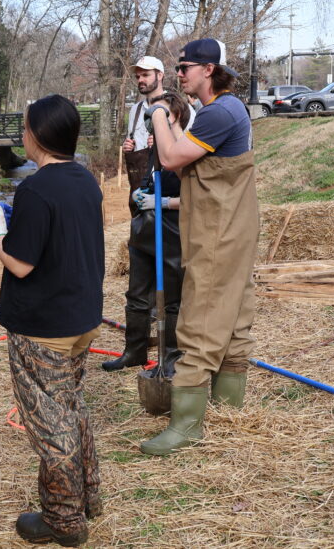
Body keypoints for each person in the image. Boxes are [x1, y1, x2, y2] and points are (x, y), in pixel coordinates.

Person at [0, 94, 104, 547]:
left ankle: (63, 522)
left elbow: (19, 265)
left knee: (52, 426)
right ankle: (88, 497)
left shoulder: (36, 189)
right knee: (70, 409)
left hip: (44, 328)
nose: (21, 135)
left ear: (38, 136)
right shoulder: (86, 180)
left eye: (24, 128)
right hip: (81, 318)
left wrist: (0, 234)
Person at [137, 39, 258, 457]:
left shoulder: (220, 112)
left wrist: (156, 113)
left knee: (201, 318)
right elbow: (186, 158)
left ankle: (187, 427)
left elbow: (171, 160)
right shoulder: (220, 111)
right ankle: (228, 409)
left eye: (185, 67)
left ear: (208, 70)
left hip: (218, 233)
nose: (179, 73)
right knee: (235, 317)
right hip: (232, 229)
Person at [102, 91, 192, 375]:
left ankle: (171, 358)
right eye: (151, 115)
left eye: (160, 114)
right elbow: (149, 175)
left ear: (175, 115)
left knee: (171, 299)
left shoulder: (185, 147)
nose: (153, 120)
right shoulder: (156, 147)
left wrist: (163, 202)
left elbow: (196, 194)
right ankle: (134, 351)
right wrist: (143, 190)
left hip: (172, 227)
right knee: (137, 293)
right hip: (145, 225)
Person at [121, 56, 164, 210]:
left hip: (167, 192)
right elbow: (132, 141)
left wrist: (162, 144)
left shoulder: (176, 107)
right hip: (139, 191)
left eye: (146, 75)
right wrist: (128, 146)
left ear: (160, 75)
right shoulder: (135, 110)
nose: (140, 80)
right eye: (138, 76)